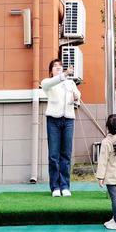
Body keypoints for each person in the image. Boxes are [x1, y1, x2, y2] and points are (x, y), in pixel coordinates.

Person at [41, 59, 81, 197]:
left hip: (68, 119)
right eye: (55, 66)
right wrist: (63, 74)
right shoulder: (47, 82)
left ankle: (65, 186)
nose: (58, 67)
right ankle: (55, 187)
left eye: (60, 66)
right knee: (53, 155)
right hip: (53, 119)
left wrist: (76, 97)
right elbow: (52, 82)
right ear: (51, 70)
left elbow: (78, 95)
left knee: (66, 154)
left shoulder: (70, 83)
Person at [96, 114, 116, 230]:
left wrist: (100, 177)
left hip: (111, 175)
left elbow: (103, 161)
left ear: (107, 127)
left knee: (115, 198)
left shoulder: (106, 141)